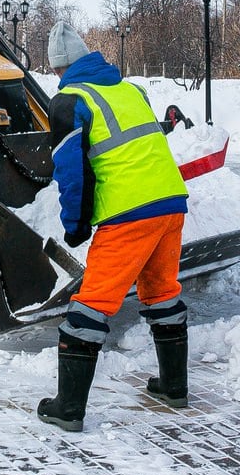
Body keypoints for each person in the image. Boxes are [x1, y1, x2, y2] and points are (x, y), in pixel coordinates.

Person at [37, 22, 190, 432]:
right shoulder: (129, 89)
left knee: (90, 306)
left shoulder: (69, 100)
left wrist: (75, 225)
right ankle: (174, 387)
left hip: (129, 214)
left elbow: (71, 173)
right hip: (171, 202)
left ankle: (68, 408)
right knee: (161, 292)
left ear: (58, 69)